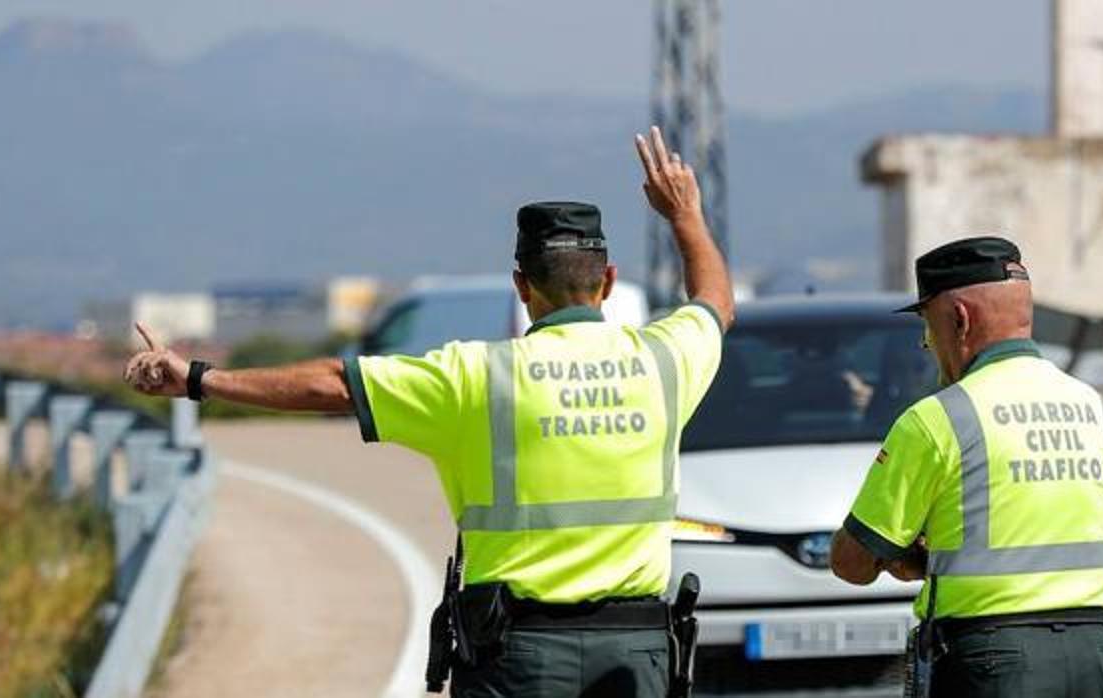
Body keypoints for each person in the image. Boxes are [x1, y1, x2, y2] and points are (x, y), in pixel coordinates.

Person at [124, 126, 734, 698]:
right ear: (608, 280)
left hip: (519, 657)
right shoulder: (665, 362)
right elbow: (714, 303)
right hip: (635, 653)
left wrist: (200, 379)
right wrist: (685, 215)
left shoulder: (473, 376)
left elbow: (335, 384)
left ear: (521, 286)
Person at [828, 237, 1103, 698]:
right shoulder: (1094, 407)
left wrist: (909, 559)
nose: (927, 343)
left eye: (928, 327)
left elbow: (851, 563)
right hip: (1100, 657)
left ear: (959, 319)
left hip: (996, 663)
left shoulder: (937, 419)